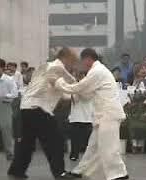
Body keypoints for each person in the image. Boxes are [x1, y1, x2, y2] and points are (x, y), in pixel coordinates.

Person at [55, 48, 129, 180]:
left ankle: (120, 175)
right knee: (93, 148)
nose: (82, 63)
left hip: (109, 115)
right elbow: (86, 93)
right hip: (102, 115)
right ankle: (79, 171)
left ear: (88, 59)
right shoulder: (97, 71)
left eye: (82, 60)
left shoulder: (97, 71)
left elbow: (80, 87)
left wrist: (60, 84)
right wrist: (67, 88)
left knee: (109, 147)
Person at [8, 47, 78, 179]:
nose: (73, 64)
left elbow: (60, 92)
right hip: (39, 108)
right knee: (55, 141)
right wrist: (81, 89)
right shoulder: (58, 68)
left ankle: (16, 170)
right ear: (65, 58)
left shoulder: (45, 67)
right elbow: (72, 86)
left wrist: (70, 95)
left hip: (26, 108)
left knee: (26, 143)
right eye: (72, 60)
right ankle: (60, 172)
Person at [68, 72, 93, 162]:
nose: (79, 76)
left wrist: (78, 89)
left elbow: (87, 97)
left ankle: (89, 156)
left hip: (87, 117)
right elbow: (75, 99)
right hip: (76, 116)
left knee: (88, 139)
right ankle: (74, 155)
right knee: (75, 138)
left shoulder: (89, 84)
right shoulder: (74, 85)